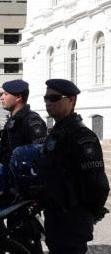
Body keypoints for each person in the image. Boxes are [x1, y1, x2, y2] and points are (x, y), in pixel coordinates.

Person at [37, 79, 110, 254]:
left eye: (54, 98)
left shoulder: (81, 136)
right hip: (56, 215)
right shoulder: (58, 132)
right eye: (46, 98)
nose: (48, 103)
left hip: (72, 218)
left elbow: (98, 186)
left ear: (71, 100)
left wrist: (87, 214)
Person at [0, 79, 47, 254]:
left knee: (28, 239)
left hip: (27, 195)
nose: (1, 97)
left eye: (5, 94)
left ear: (18, 97)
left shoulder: (31, 121)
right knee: (16, 238)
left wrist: (35, 194)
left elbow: (40, 157)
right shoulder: (13, 120)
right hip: (15, 191)